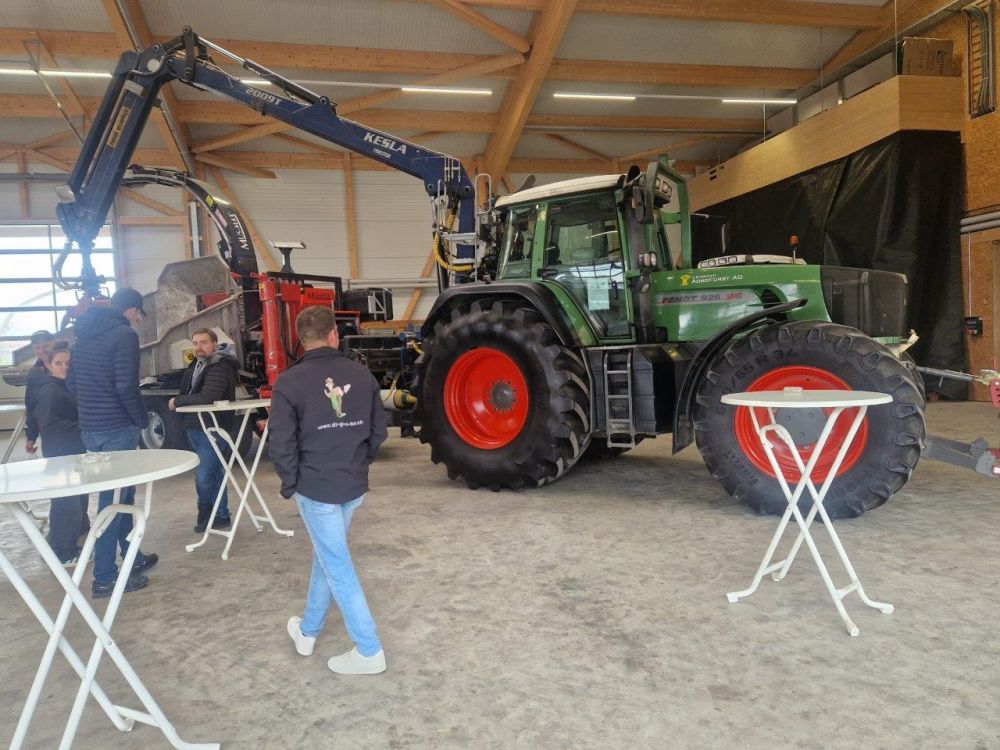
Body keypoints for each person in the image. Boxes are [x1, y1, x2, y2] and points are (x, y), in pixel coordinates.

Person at [269, 305, 388, 675]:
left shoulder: (289, 382)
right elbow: (378, 431)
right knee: (328, 556)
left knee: (337, 565)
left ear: (301, 341)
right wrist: (358, 462)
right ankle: (307, 632)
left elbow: (281, 441)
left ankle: (369, 650)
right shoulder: (362, 375)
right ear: (334, 335)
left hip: (317, 487)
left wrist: (291, 483)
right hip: (352, 484)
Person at [67, 287, 158, 599]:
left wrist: (92, 408)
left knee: (124, 495)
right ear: (131, 309)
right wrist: (141, 420)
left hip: (91, 428)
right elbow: (125, 385)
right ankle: (105, 577)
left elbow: (71, 383)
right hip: (117, 427)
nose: (136, 318)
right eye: (137, 313)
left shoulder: (82, 336)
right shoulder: (123, 336)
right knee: (113, 503)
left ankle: (132, 557)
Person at [168, 328, 239, 533]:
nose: (199, 347)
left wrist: (177, 401)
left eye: (204, 342)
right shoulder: (195, 365)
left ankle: (206, 512)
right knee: (214, 472)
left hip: (213, 427)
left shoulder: (220, 365)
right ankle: (221, 515)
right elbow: (188, 391)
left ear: (215, 344)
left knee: (204, 475)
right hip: (194, 426)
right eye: (195, 343)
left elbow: (208, 396)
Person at [34, 346, 90, 564]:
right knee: (66, 501)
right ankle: (63, 552)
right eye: (59, 363)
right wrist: (84, 425)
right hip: (60, 452)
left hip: (70, 449)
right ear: (49, 365)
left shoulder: (64, 387)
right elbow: (50, 424)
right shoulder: (50, 391)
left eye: (68, 363)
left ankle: (60, 541)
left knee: (72, 499)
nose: (64, 367)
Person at [24, 330, 56, 456]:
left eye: (46, 346)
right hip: (49, 433)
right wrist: (31, 437)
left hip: (76, 431)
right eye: (38, 347)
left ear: (53, 343)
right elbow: (32, 407)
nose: (42, 350)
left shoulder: (69, 366)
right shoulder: (34, 375)